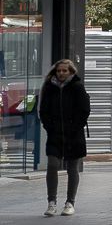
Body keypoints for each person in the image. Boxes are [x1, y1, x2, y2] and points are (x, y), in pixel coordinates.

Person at [39, 58, 90, 216]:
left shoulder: (77, 87)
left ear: (70, 72)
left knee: (72, 167)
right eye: (59, 71)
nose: (61, 73)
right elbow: (43, 110)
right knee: (52, 164)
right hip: (54, 134)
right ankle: (51, 202)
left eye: (64, 71)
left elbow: (84, 110)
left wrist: (74, 127)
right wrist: (49, 126)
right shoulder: (49, 87)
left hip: (74, 134)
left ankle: (70, 202)